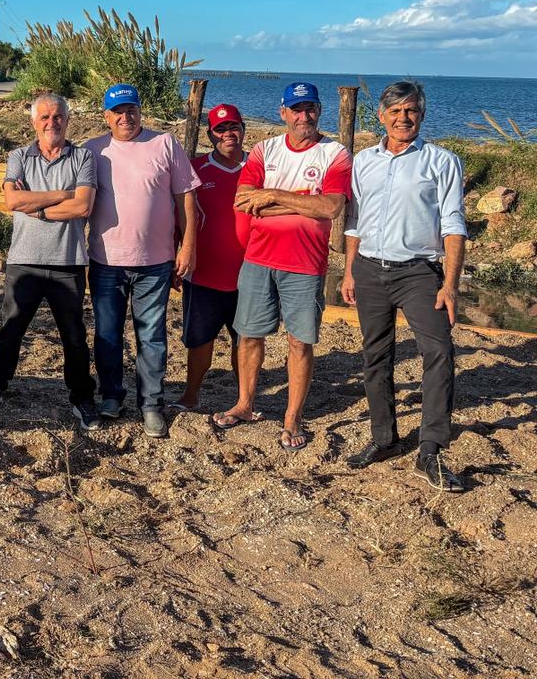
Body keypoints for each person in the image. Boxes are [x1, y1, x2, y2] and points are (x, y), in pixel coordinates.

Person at [341, 81, 467, 491]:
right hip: (369, 269)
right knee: (375, 356)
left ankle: (430, 446)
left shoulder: (442, 161)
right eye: (395, 111)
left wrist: (449, 284)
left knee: (439, 351)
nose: (403, 118)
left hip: (419, 272)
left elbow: (452, 224)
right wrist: (347, 271)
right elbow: (354, 221)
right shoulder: (363, 161)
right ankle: (384, 439)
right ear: (381, 116)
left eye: (411, 110)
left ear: (422, 115)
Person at [216, 81, 352, 452]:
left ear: (320, 111)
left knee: (299, 341)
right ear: (283, 113)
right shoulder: (265, 149)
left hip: (305, 263)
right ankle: (245, 404)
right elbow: (243, 202)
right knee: (249, 335)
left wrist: (273, 195)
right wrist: (304, 201)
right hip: (259, 259)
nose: (303, 115)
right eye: (296, 109)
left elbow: (330, 207)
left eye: (310, 108)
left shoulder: (335, 153)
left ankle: (292, 417)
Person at [0, 93, 99, 429]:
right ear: (33, 122)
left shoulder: (83, 157)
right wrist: (63, 194)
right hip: (24, 261)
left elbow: (83, 206)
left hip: (68, 261)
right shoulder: (19, 156)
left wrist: (38, 207)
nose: (51, 123)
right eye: (44, 117)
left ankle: (81, 396)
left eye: (58, 116)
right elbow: (12, 199)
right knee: (11, 330)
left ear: (67, 119)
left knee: (74, 336)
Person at [84, 84, 199, 439]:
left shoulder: (164, 143)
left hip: (156, 262)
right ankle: (112, 396)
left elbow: (186, 198)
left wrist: (188, 247)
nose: (125, 117)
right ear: (106, 116)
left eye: (131, 109)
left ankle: (151, 404)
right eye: (117, 111)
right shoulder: (93, 151)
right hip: (106, 260)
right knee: (107, 334)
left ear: (139, 111)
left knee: (151, 336)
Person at [173, 104, 248, 412]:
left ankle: (243, 399)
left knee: (245, 339)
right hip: (204, 271)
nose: (228, 134)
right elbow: (178, 217)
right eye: (220, 129)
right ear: (209, 135)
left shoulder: (260, 168)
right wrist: (176, 258)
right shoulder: (195, 169)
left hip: (250, 272)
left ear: (243, 130)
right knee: (200, 338)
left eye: (234, 127)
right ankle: (191, 395)